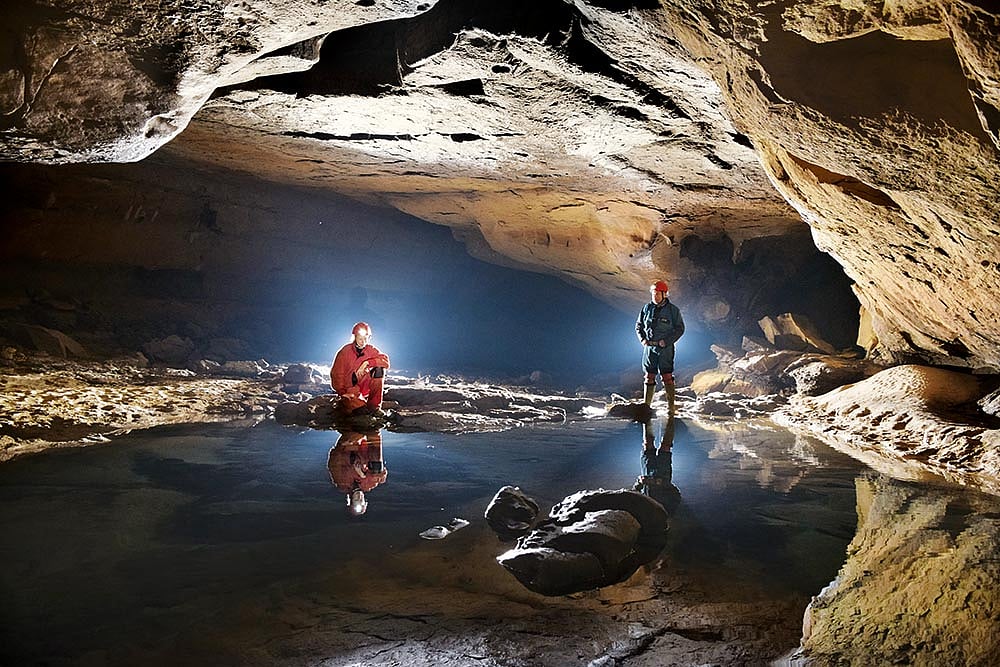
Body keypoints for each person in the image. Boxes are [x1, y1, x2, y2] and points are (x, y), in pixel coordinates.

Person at [635, 279, 684, 412]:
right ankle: (646, 406)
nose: (655, 296)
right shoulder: (646, 308)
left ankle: (671, 408)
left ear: (664, 294)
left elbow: (680, 329)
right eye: (653, 294)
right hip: (649, 348)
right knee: (649, 376)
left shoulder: (673, 310)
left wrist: (667, 341)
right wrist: (642, 339)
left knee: (667, 376)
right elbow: (638, 326)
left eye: (657, 294)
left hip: (665, 349)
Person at [330, 321, 390, 416]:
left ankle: (374, 407)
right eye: (360, 338)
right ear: (355, 337)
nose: (363, 342)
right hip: (349, 389)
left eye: (365, 339)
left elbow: (385, 361)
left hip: (363, 385)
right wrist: (342, 392)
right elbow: (337, 374)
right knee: (360, 411)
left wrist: (367, 363)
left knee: (379, 370)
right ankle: (352, 403)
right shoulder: (345, 351)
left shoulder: (370, 350)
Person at [328, 430, 386, 517]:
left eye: (356, 500)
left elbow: (334, 459)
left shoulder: (341, 482)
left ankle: (360, 430)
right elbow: (382, 475)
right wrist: (363, 475)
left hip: (349, 445)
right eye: (361, 500)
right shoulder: (369, 485)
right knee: (376, 469)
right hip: (365, 446)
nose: (359, 497)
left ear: (351, 499)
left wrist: (352, 461)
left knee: (356, 432)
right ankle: (373, 433)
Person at [634, 416, 681, 513]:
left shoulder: (642, 508)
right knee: (665, 446)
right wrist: (661, 483)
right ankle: (670, 417)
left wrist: (640, 482)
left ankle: (646, 417)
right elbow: (676, 494)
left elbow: (634, 493)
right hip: (663, 472)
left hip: (647, 471)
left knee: (648, 444)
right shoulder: (668, 508)